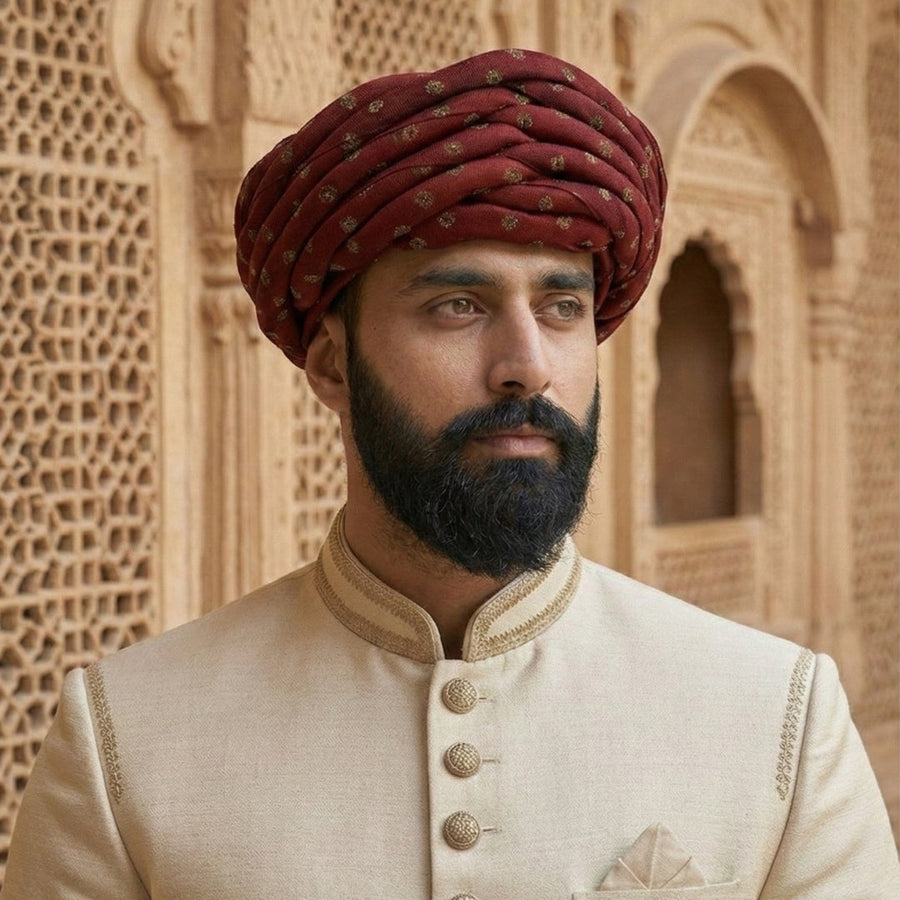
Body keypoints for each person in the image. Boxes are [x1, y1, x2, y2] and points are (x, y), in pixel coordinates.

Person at [3, 48, 898, 899]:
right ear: (329, 364)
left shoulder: (774, 717)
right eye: (457, 306)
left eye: (561, 306)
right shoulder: (127, 741)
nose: (528, 365)